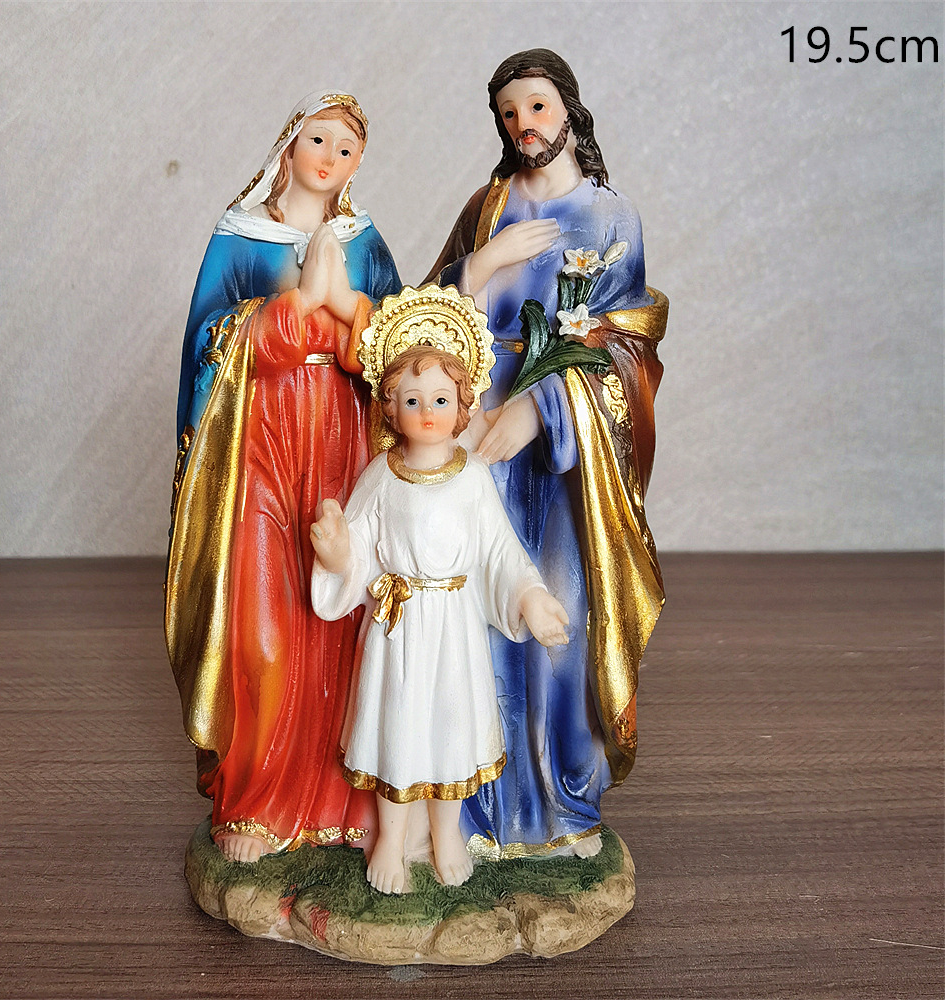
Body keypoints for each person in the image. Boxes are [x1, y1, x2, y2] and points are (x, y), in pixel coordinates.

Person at [425, 51, 669, 859]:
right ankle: (471, 809)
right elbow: (422, 320)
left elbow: (627, 344)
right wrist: (479, 266)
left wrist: (543, 408)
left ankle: (561, 805)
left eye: (535, 105)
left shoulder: (610, 217)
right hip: (474, 433)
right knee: (472, 615)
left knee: (558, 615)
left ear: (568, 108)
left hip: (565, 453)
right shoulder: (487, 206)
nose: (523, 124)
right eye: (508, 113)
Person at [166, 92, 401, 864]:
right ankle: (259, 798)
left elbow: (403, 347)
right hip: (261, 442)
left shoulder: (363, 240)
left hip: (342, 439)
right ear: (288, 145)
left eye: (347, 148)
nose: (330, 158)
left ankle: (347, 797)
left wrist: (349, 309)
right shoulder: (239, 237)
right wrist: (292, 311)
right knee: (263, 627)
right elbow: (206, 342)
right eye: (318, 139)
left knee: (346, 617)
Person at [310, 344, 569, 893]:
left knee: (452, 727)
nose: (427, 411)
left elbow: (500, 552)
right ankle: (391, 839)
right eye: (412, 400)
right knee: (397, 727)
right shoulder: (382, 476)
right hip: (399, 627)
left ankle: (446, 834)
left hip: (454, 627)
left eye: (441, 399)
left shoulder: (472, 477)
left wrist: (531, 597)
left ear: (462, 405)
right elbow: (358, 546)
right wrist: (335, 551)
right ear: (390, 407)